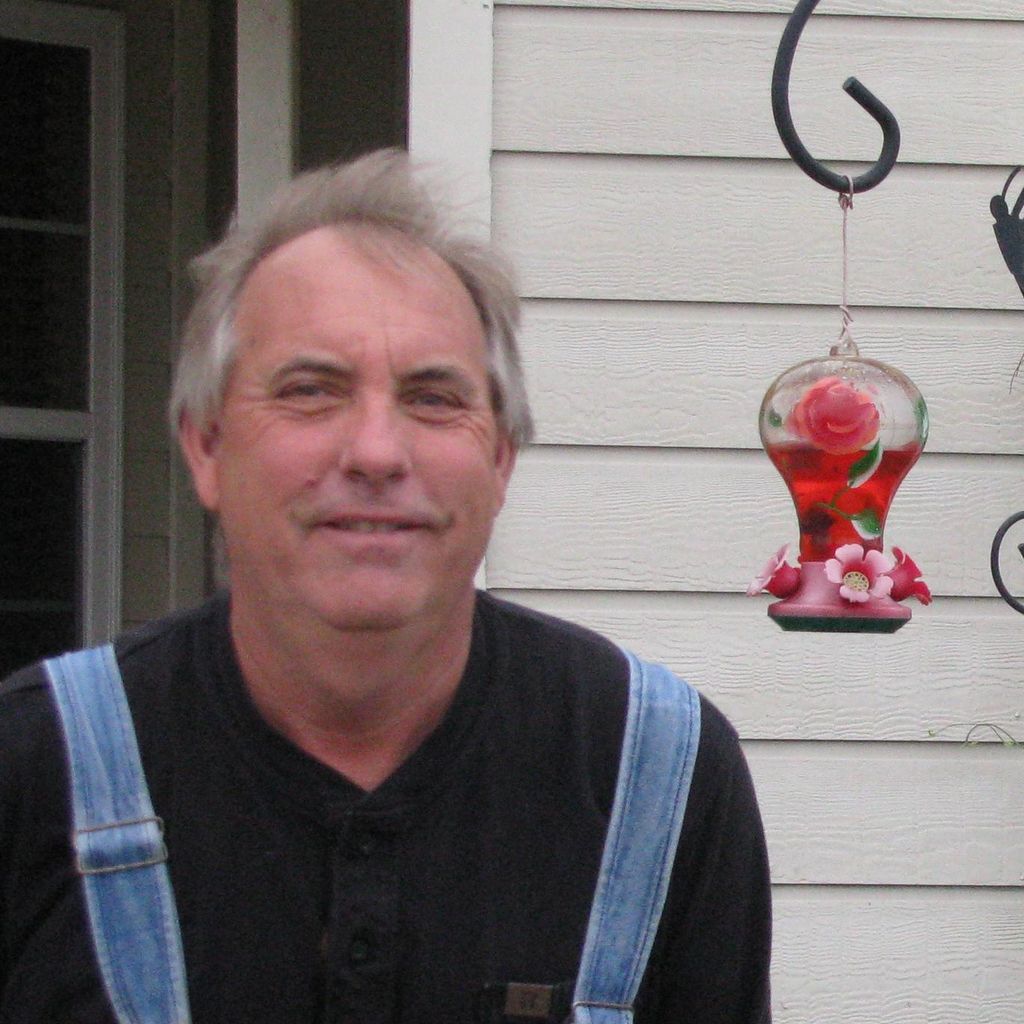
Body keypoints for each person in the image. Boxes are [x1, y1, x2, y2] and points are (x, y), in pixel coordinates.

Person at [0, 149, 771, 1023]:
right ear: (206, 447)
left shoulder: (660, 778)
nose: (376, 452)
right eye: (310, 390)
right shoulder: (33, 771)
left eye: (433, 398)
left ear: (500, 458)